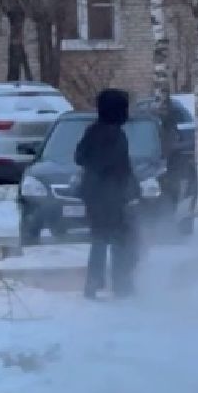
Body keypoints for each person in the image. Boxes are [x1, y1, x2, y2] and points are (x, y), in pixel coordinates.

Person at [75, 88, 140, 299]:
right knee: (121, 239)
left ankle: (93, 283)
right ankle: (121, 283)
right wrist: (132, 191)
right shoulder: (117, 136)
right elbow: (123, 168)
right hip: (111, 195)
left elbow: (79, 157)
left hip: (92, 194)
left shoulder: (92, 131)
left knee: (99, 238)